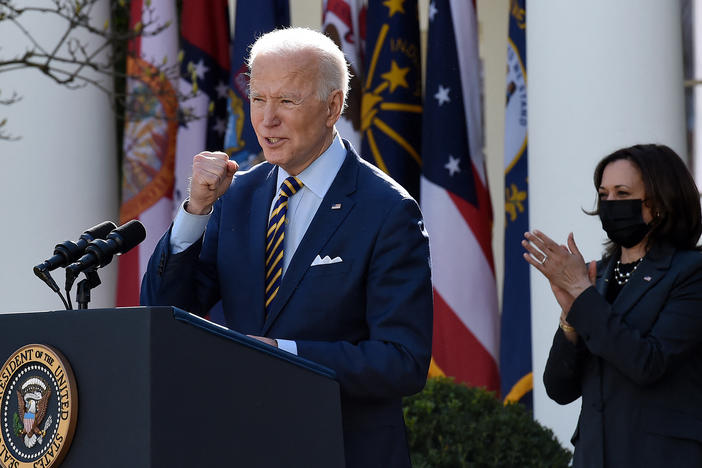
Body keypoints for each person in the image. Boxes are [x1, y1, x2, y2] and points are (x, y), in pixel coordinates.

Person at [140, 27, 433, 468]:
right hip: (243, 448)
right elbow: (163, 308)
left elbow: (402, 361)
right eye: (258, 99)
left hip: (343, 451)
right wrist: (196, 210)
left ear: (333, 106)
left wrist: (284, 355)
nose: (266, 119)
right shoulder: (233, 197)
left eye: (287, 101)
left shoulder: (387, 210)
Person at [522, 144, 702, 467]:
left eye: (622, 193)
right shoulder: (598, 275)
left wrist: (582, 294)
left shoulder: (691, 272)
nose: (609, 204)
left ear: (659, 204)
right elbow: (559, 388)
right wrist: (570, 318)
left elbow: (648, 363)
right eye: (603, 195)